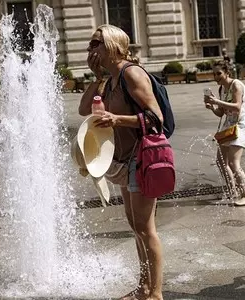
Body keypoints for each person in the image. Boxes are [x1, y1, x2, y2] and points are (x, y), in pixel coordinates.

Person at [79, 24, 164, 300]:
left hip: (143, 158)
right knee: (135, 226)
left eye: (95, 44)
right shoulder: (111, 80)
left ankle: (156, 293)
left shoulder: (132, 74)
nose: (90, 49)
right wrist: (97, 76)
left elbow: (156, 119)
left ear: (113, 45)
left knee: (146, 227)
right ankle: (143, 286)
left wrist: (117, 120)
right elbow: (83, 110)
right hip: (126, 161)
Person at [204, 60, 245, 206]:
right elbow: (221, 113)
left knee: (233, 163)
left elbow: (237, 107)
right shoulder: (222, 89)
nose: (216, 76)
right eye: (214, 74)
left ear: (227, 73)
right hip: (228, 128)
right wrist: (212, 106)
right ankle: (233, 192)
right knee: (221, 162)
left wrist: (217, 102)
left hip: (241, 126)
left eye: (219, 73)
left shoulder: (236, 85)